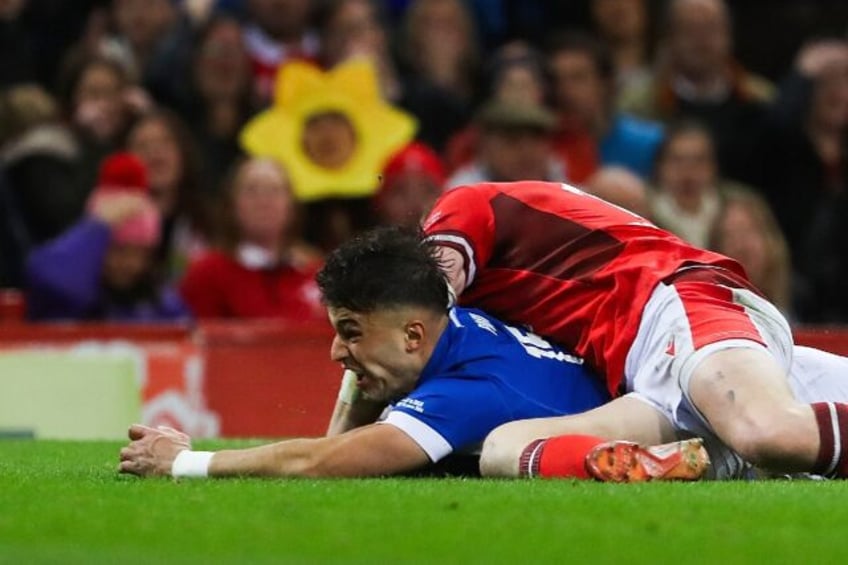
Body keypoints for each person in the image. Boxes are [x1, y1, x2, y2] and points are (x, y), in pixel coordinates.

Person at [119, 227, 627, 479]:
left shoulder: (465, 394)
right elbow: (338, 441)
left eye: (351, 331)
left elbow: (319, 461)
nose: (337, 351)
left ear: (412, 336)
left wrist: (186, 462)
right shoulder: (460, 329)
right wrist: (363, 367)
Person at [421, 180, 848, 480]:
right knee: (503, 448)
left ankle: (743, 450)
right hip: (644, 379)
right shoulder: (483, 312)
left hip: (678, 304)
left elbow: (431, 282)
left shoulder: (461, 208)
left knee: (769, 433)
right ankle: (668, 467)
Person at [25, 152, 188, 322]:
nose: (131, 263)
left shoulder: (161, 304)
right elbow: (48, 278)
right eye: (119, 250)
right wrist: (98, 226)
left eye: (141, 252)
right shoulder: (70, 298)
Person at [179, 158, 325, 320]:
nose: (264, 201)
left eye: (274, 190)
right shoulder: (207, 272)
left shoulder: (317, 273)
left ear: (291, 207)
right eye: (251, 190)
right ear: (231, 206)